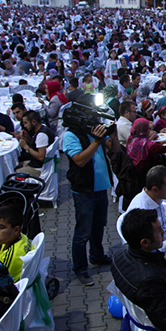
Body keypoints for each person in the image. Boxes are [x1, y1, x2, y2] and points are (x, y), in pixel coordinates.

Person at [62, 94, 121, 286]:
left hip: (101, 187)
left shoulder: (91, 130)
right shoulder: (71, 135)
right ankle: (80, 268)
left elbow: (115, 150)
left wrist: (113, 134)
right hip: (85, 190)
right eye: (89, 111)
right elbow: (79, 160)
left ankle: (96, 255)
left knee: (98, 225)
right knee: (82, 232)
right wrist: (96, 141)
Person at [15, 110, 56, 177]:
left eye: (26, 123)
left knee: (12, 173)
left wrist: (25, 147)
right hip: (39, 164)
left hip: (39, 169)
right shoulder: (43, 127)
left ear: (34, 122)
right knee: (15, 164)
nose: (24, 126)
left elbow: (41, 157)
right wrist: (28, 139)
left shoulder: (41, 135)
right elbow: (37, 146)